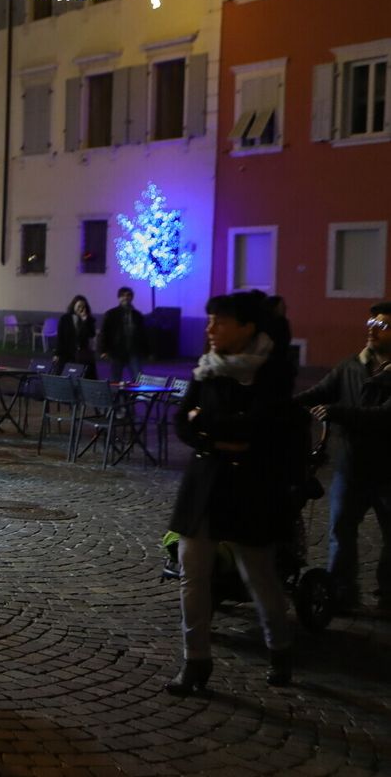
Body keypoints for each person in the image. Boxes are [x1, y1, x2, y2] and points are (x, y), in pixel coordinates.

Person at [164, 292, 298, 696]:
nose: (210, 328)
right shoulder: (207, 367)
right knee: (191, 573)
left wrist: (206, 422)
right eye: (209, 320)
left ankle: (280, 648)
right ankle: (195, 661)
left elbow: (260, 427)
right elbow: (181, 421)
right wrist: (214, 434)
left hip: (250, 488)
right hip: (204, 484)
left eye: (219, 322)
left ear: (246, 328)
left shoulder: (273, 371)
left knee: (258, 575)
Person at [293, 301, 391, 611]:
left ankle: (388, 595)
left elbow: (384, 416)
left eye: (382, 326)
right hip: (351, 466)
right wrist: (285, 406)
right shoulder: (351, 365)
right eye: (371, 324)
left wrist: (338, 412)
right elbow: (318, 392)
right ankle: (341, 592)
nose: (373, 330)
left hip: (388, 470)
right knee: (341, 531)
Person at [100, 287, 148, 382]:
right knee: (115, 378)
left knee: (138, 378)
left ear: (132, 297)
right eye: (123, 295)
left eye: (128, 295)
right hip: (117, 351)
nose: (125, 298)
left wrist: (147, 351)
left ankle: (136, 392)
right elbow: (104, 333)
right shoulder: (111, 314)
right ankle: (115, 392)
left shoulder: (137, 315)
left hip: (133, 351)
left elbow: (143, 334)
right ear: (119, 298)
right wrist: (103, 350)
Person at [53, 295, 98, 377]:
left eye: (83, 306)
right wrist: (57, 354)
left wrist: (85, 321)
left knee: (84, 376)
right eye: (79, 306)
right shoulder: (65, 319)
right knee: (66, 375)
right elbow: (60, 338)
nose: (81, 309)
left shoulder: (89, 320)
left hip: (83, 355)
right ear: (73, 305)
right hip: (67, 353)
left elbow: (91, 334)